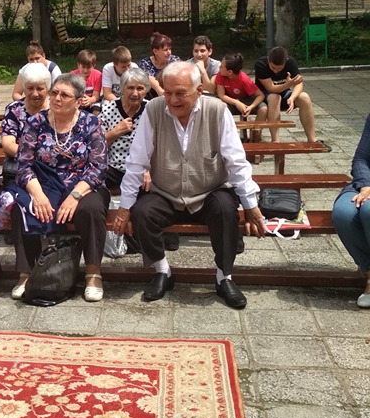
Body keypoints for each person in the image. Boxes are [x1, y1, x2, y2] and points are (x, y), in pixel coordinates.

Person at [113, 61, 268, 309]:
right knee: (142, 212)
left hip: (210, 191)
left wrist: (251, 206)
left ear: (199, 91)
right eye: (167, 92)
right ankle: (163, 271)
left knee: (226, 210)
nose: (172, 100)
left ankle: (224, 277)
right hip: (167, 193)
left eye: (180, 93)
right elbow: (136, 161)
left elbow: (236, 162)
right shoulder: (154, 110)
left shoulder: (217, 111)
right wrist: (125, 208)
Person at [12, 73, 109, 302]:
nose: (56, 98)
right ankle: (28, 273)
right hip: (45, 182)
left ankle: (93, 273)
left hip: (85, 185)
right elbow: (23, 164)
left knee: (91, 210)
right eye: (54, 92)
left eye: (64, 95)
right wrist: (38, 195)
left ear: (78, 101)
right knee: (23, 208)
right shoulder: (36, 122)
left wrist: (75, 196)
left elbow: (98, 167)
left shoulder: (91, 123)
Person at [0, 63, 51, 298]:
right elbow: (8, 143)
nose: (35, 93)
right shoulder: (14, 109)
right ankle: (25, 273)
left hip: (52, 173)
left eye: (40, 88)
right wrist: (34, 154)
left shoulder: (57, 108)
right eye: (30, 88)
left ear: (48, 88)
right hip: (21, 171)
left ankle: (53, 266)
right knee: (22, 207)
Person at [331, 114, 370, 308]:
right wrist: (366, 185)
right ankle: (369, 274)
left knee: (368, 211)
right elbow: (361, 158)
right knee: (344, 213)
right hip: (365, 184)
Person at [254, 46, 319, 143]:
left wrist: (292, 98)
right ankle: (275, 140)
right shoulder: (261, 64)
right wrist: (288, 84)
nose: (276, 71)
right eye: (273, 67)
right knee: (274, 97)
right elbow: (271, 88)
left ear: (286, 62)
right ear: (268, 60)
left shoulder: (291, 62)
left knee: (304, 97)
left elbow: (299, 84)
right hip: (265, 97)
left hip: (284, 95)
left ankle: (312, 138)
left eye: (280, 68)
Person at [100, 66, 150, 188]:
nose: (135, 93)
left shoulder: (151, 110)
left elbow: (159, 145)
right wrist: (115, 132)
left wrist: (150, 169)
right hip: (113, 169)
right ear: (122, 88)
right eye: (130, 88)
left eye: (140, 88)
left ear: (146, 90)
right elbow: (96, 146)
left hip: (142, 169)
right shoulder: (108, 110)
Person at [214, 53, 267, 129]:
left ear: (230, 72)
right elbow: (221, 95)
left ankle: (256, 133)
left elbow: (260, 95)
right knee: (220, 108)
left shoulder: (244, 80)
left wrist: (251, 107)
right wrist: (236, 102)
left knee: (263, 109)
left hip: (246, 100)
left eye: (221, 67)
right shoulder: (220, 75)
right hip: (230, 101)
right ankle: (225, 131)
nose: (219, 68)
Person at [139, 32, 180, 98]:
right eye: (165, 50)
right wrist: (159, 90)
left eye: (170, 49)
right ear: (155, 51)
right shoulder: (145, 63)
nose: (169, 52)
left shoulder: (175, 60)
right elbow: (149, 78)